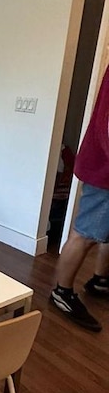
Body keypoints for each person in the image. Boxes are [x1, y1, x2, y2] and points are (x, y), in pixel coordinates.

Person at [51, 64, 109, 332]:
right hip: (104, 171)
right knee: (85, 233)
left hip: (101, 166)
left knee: (105, 232)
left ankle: (100, 280)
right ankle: (61, 293)